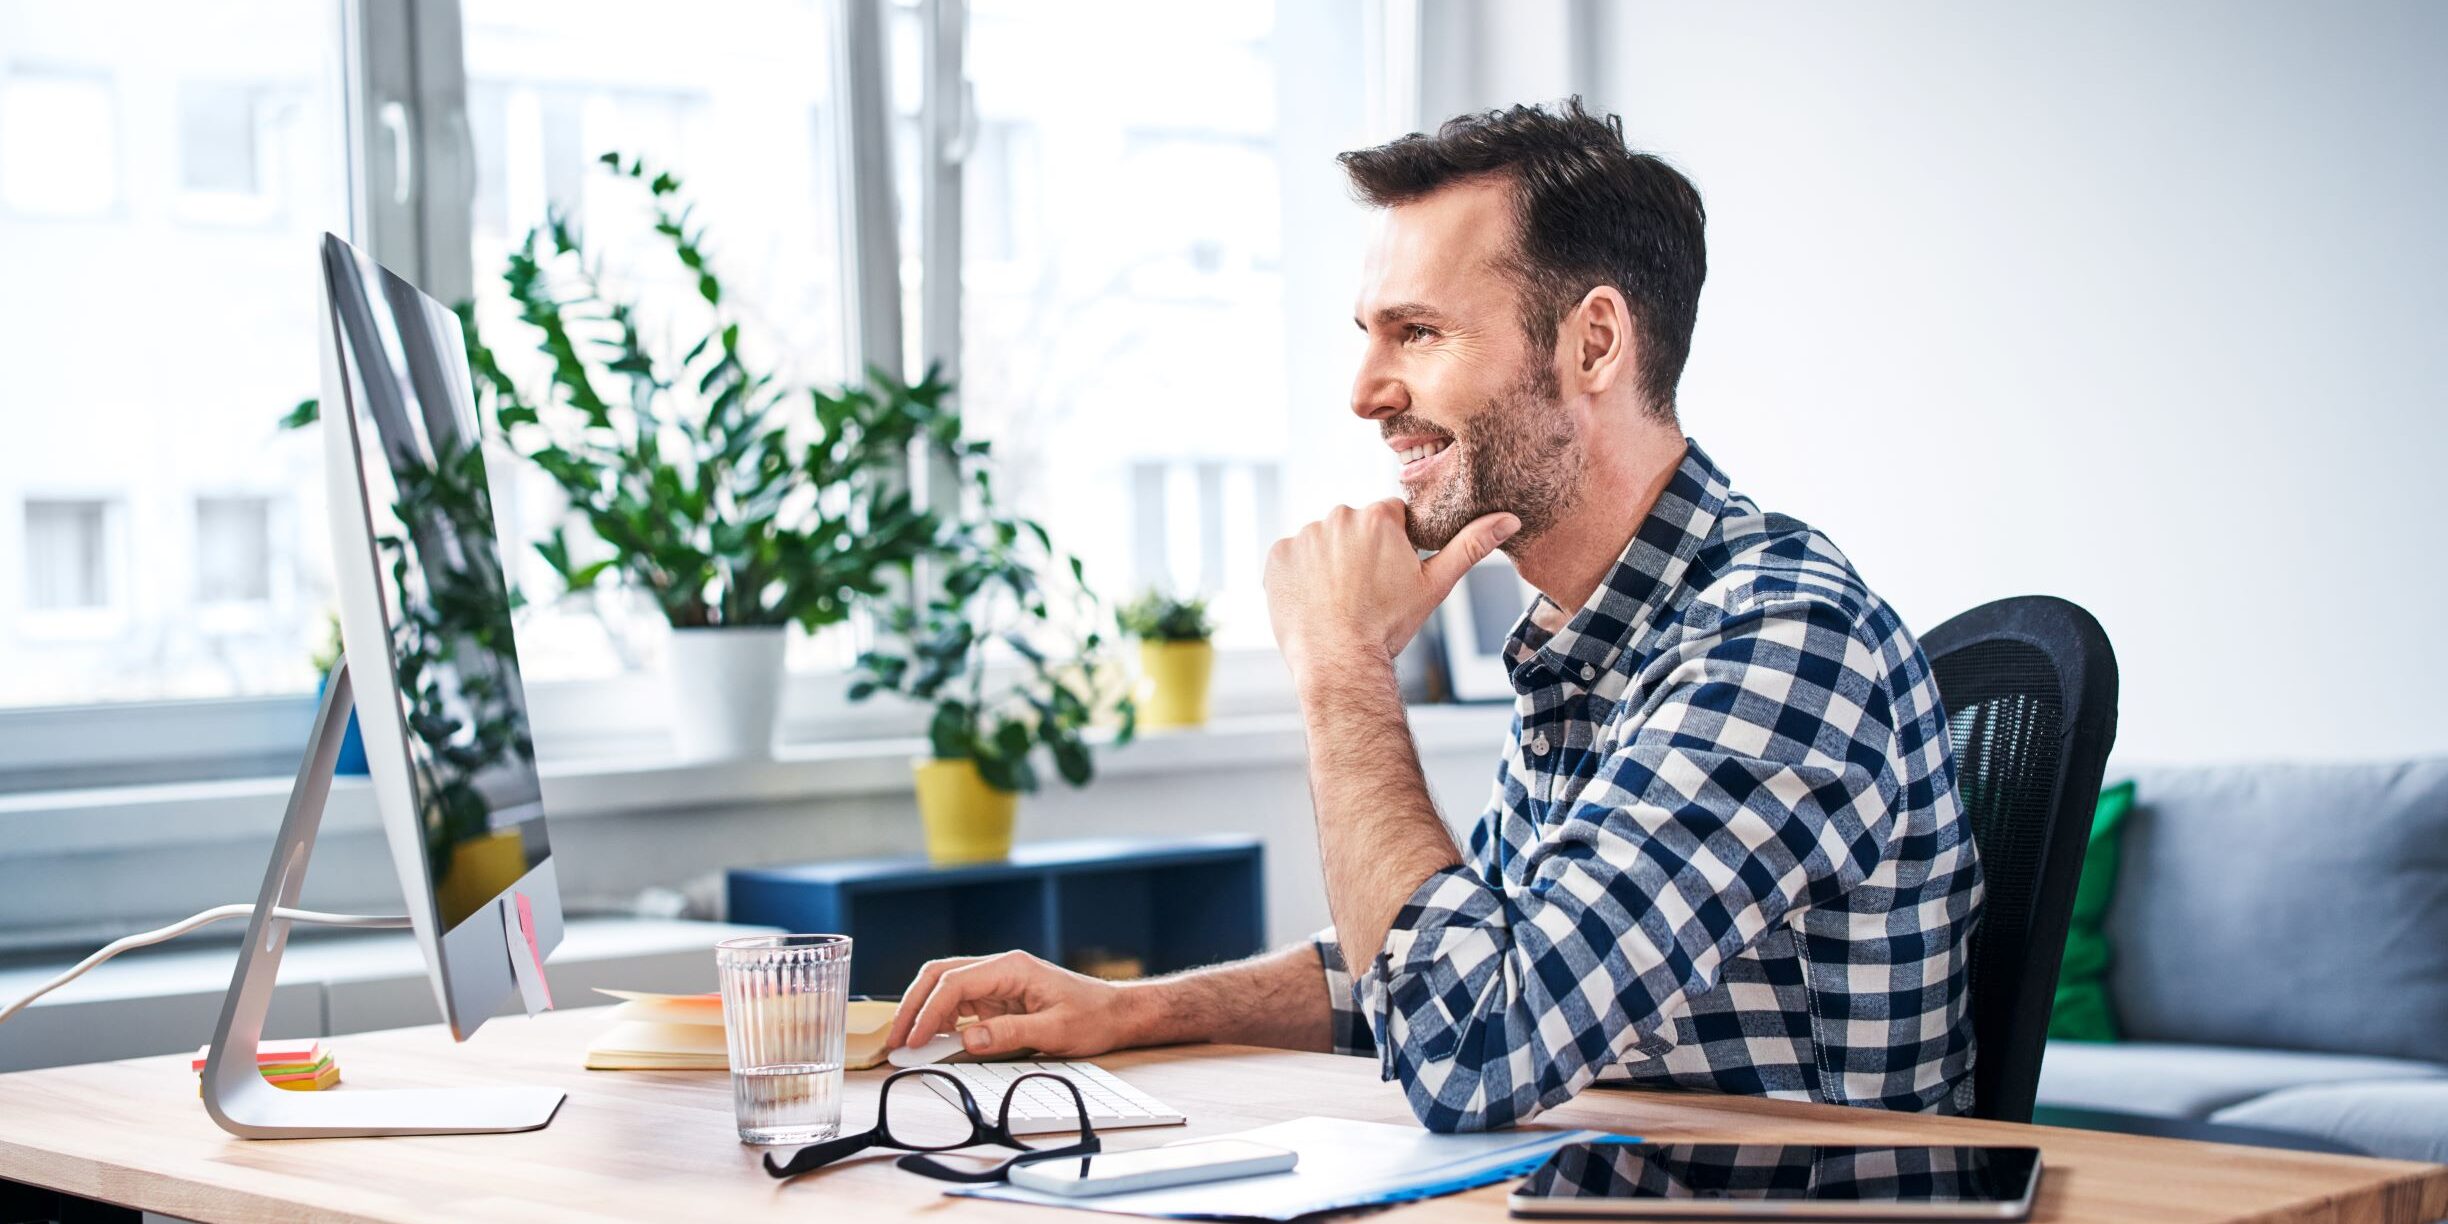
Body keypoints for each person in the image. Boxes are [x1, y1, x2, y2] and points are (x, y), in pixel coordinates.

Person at [885, 97, 1982, 1133]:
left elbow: (1470, 1043)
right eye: (1371, 333)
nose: (1365, 391)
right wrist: (1133, 1011)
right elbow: (1432, 971)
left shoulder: (1777, 644)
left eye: (1416, 332)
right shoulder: (1595, 642)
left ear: (1594, 343)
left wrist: (1341, 664)